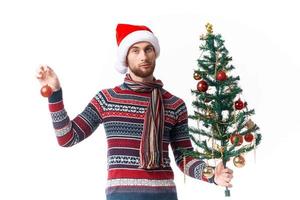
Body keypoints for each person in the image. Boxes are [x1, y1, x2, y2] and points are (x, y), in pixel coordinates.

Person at [36, 23, 233, 200]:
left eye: (148, 49)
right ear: (125, 57)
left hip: (165, 196)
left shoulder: (174, 104)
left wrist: (211, 175)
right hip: (122, 197)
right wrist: (55, 95)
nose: (143, 56)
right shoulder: (107, 99)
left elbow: (184, 157)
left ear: (155, 53)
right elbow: (68, 137)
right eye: (135, 51)